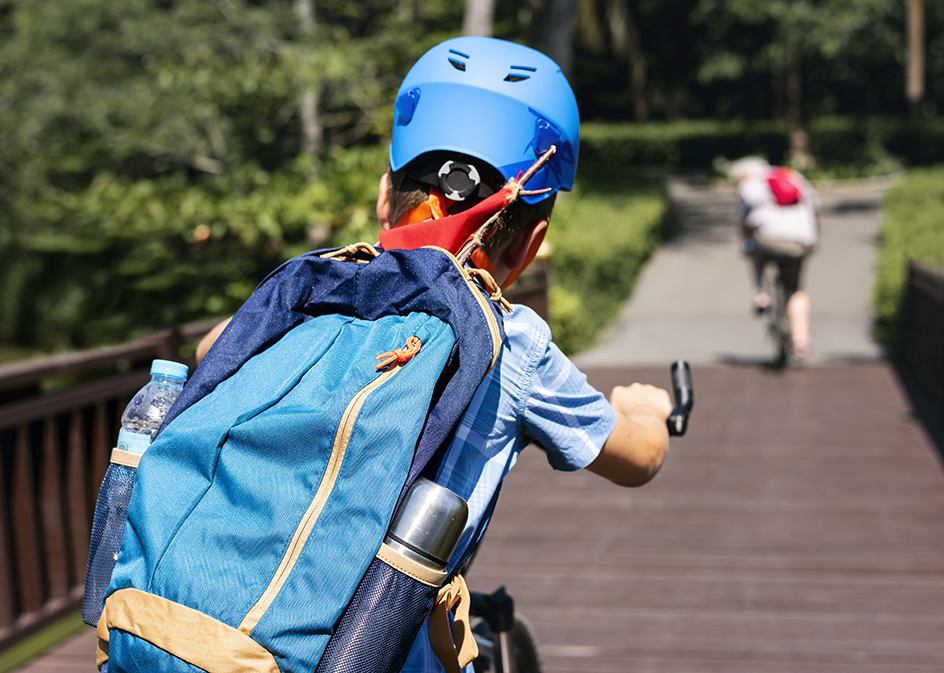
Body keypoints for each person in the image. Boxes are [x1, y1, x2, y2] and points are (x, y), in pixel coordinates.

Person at [197, 36, 672, 673]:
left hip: (207, 628)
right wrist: (650, 413)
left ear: (381, 198)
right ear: (532, 243)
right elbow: (637, 460)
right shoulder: (516, 345)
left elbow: (211, 352)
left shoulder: (315, 290)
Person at [730, 156, 820, 360]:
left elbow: (743, 223)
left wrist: (745, 245)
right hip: (800, 240)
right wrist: (813, 239)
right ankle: (801, 342)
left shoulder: (749, 185)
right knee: (796, 288)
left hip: (768, 239)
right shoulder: (792, 175)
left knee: (754, 250)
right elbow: (815, 209)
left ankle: (760, 293)